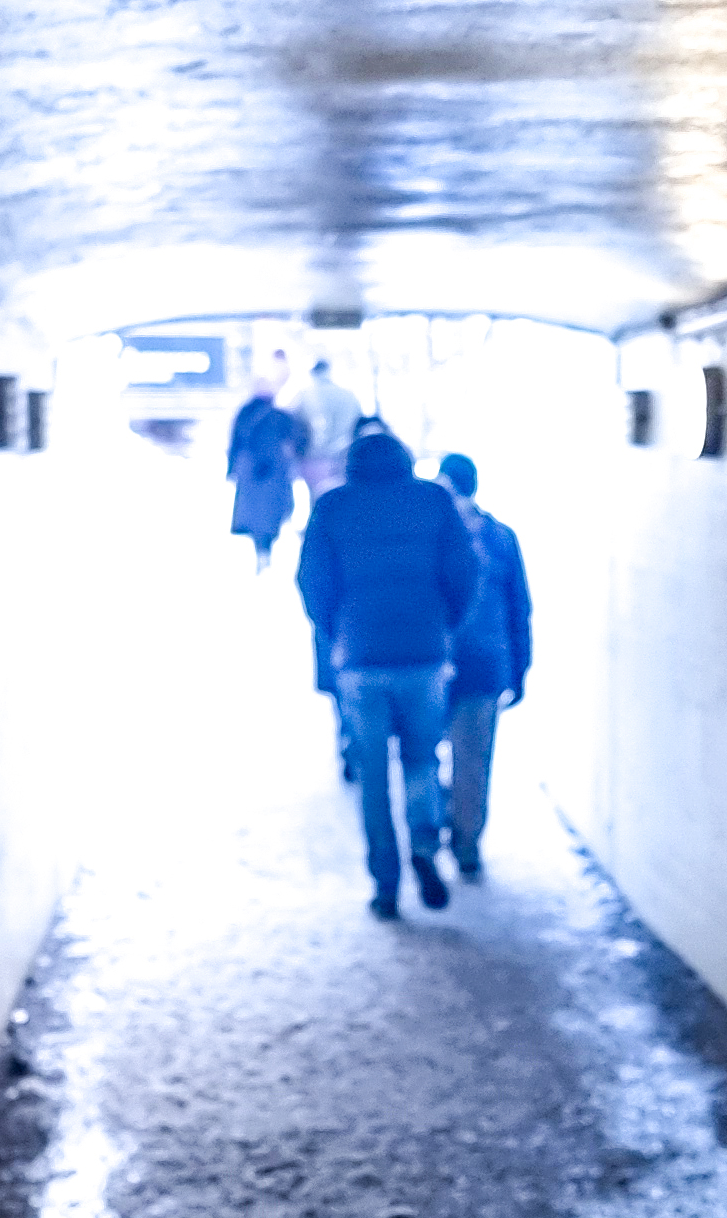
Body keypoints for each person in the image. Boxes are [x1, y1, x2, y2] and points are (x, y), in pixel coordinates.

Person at [295, 425, 478, 918]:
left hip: (359, 659)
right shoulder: (433, 502)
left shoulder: (333, 506)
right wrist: (443, 626)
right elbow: (465, 572)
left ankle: (385, 884)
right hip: (423, 656)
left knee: (373, 776)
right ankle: (424, 847)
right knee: (421, 759)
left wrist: (338, 631)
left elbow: (312, 581)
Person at [436, 452, 533, 882]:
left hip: (437, 664)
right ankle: (466, 843)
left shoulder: (433, 537)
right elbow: (520, 608)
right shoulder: (501, 536)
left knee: (425, 756)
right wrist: (520, 668)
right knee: (473, 762)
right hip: (487, 665)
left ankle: (442, 828)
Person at [225, 373, 302, 567]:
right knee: (271, 513)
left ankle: (261, 551)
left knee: (254, 513)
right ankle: (265, 549)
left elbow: (235, 442)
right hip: (274, 471)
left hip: (250, 471)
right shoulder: (280, 415)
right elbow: (298, 439)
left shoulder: (245, 413)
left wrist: (232, 469)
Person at [289, 356, 361, 500]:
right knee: (340, 500)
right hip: (342, 455)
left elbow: (292, 425)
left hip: (312, 457)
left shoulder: (303, 395)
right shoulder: (348, 395)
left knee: (316, 501)